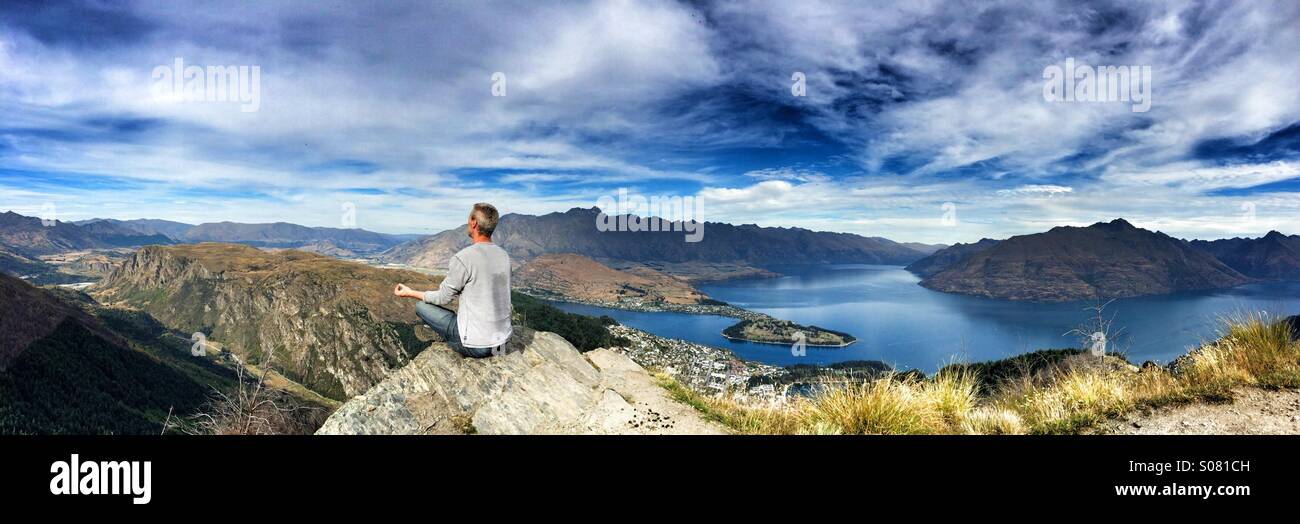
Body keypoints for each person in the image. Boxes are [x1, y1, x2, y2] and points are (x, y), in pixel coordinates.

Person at [394, 203, 512, 358]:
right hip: (502, 340)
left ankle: (452, 341)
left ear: (473, 222)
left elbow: (443, 298)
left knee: (421, 307)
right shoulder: (504, 255)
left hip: (478, 346)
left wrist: (410, 292)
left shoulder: (464, 258)